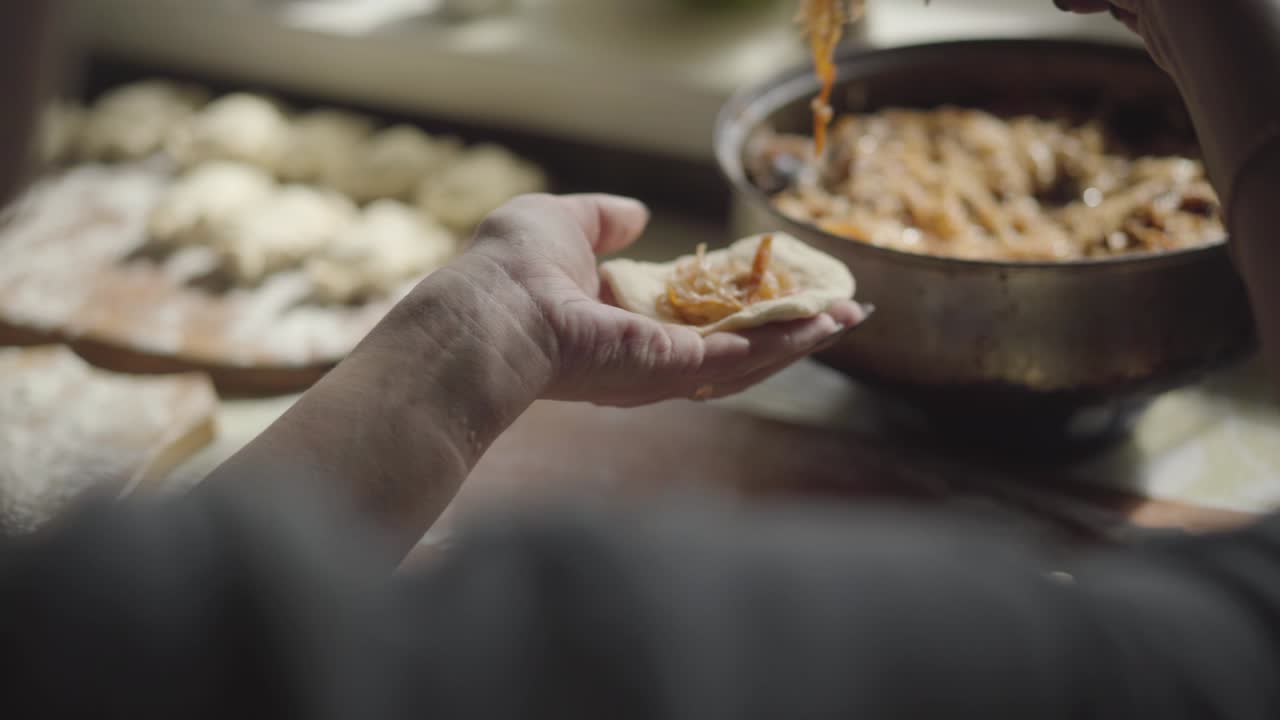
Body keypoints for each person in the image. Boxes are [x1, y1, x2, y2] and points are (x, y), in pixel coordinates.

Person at [4, 1, 1280, 717]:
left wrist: (475, 342)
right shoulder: (601, 652)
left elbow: (206, 614)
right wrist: (1237, 52)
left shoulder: (84, 625)